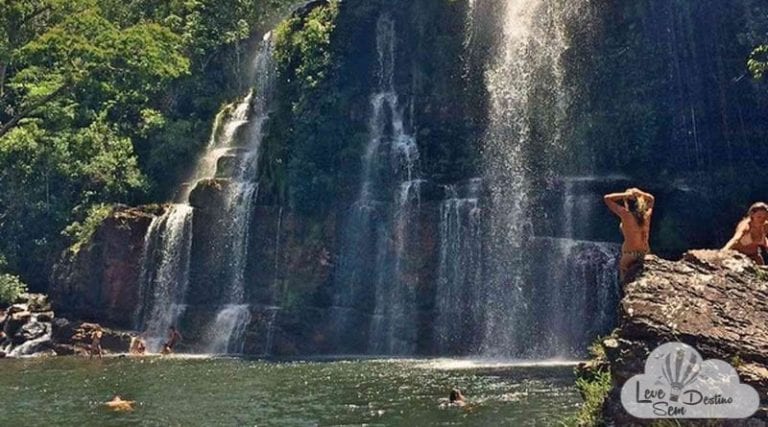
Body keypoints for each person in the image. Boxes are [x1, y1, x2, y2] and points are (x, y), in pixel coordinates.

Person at [604, 187, 655, 281]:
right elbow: (651, 198)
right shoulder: (647, 215)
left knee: (624, 282)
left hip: (629, 255)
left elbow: (607, 198)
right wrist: (639, 193)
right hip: (644, 253)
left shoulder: (626, 214)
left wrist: (626, 195)